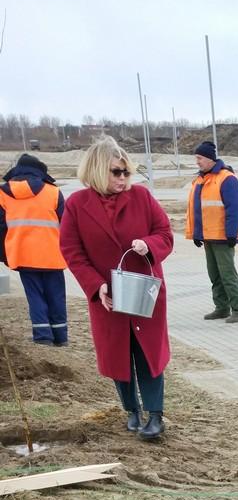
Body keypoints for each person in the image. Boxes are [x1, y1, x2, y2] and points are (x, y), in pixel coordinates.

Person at [60, 136, 174, 440]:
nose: (123, 178)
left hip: (143, 292)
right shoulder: (76, 205)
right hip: (108, 297)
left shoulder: (142, 197)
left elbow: (165, 233)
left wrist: (148, 244)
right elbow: (72, 251)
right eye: (116, 172)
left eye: (126, 172)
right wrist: (95, 286)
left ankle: (155, 415)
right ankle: (132, 410)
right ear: (98, 170)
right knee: (117, 355)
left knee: (148, 353)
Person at [0, 153, 68, 344]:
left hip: (21, 255)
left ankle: (42, 336)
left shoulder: (3, 194)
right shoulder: (53, 192)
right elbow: (67, 226)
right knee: (56, 297)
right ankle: (60, 337)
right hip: (53, 255)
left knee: (35, 295)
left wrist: (4, 256)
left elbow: (1, 228)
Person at [185, 140, 238, 323]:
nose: (197, 161)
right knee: (215, 275)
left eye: (199, 158)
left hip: (223, 237)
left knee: (227, 275)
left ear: (210, 158)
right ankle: (221, 308)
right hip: (208, 236)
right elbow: (197, 209)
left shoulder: (227, 178)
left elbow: (234, 209)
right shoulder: (200, 180)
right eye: (196, 158)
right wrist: (197, 234)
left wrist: (231, 234)